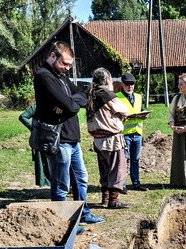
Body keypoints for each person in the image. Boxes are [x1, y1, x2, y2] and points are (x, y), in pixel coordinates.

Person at [33, 41, 104, 224]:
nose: (67, 68)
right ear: (52, 56)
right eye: (64, 63)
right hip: (58, 139)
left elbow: (81, 95)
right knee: (61, 183)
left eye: (70, 65)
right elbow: (72, 105)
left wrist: (68, 103)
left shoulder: (61, 76)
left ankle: (84, 213)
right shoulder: (44, 76)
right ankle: (63, 223)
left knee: (81, 178)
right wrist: (69, 103)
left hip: (72, 138)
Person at [86, 68, 130, 209]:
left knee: (104, 169)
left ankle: (105, 197)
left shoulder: (91, 94)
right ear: (107, 80)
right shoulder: (107, 94)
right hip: (111, 138)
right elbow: (124, 110)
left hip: (98, 138)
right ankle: (113, 200)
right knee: (117, 168)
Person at [115, 73, 148, 191]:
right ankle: (122, 185)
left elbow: (142, 110)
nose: (130, 87)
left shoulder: (138, 97)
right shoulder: (117, 97)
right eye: (127, 85)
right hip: (124, 134)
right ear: (122, 85)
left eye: (132, 84)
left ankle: (136, 183)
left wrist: (144, 115)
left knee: (135, 160)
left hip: (137, 133)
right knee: (123, 160)